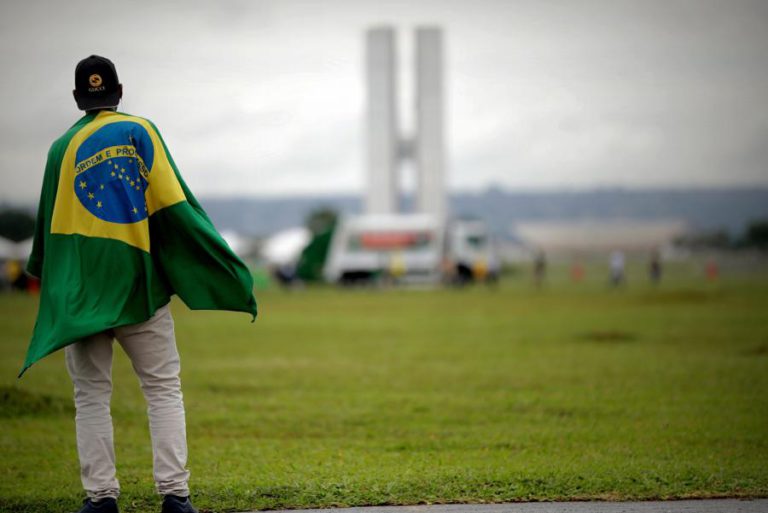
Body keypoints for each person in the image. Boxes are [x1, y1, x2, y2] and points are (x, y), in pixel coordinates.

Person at [23, 55, 258, 513]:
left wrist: (52, 286)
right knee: (163, 388)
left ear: (77, 98)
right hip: (138, 286)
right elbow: (173, 204)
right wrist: (215, 261)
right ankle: (174, 495)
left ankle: (100, 498)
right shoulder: (140, 131)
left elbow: (46, 230)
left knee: (90, 396)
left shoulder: (59, 149)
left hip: (82, 294)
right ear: (119, 91)